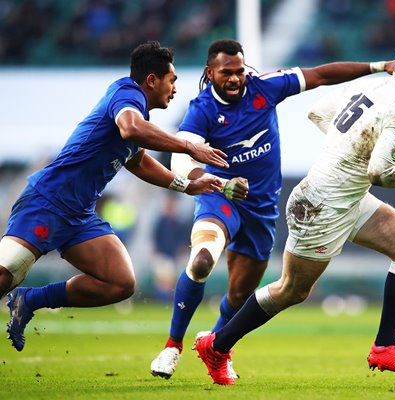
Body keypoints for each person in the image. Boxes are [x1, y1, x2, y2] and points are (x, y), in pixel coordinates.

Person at [193, 38, 395, 385]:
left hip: (348, 197)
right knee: (291, 290)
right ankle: (217, 346)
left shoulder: (373, 86)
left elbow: (318, 112)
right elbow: (380, 173)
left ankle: (385, 346)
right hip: (321, 206)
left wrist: (350, 147)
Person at [150, 38, 395, 379]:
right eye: (226, 73)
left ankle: (217, 347)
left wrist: (378, 67)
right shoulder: (202, 109)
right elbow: (179, 159)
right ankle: (172, 347)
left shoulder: (264, 87)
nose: (235, 79)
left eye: (239, 71)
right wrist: (220, 184)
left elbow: (321, 75)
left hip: (261, 209)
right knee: (203, 259)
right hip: (220, 197)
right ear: (210, 72)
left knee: (239, 294)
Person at [0, 40, 232, 352]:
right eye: (172, 80)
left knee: (120, 282)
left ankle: (28, 300)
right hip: (48, 200)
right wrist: (189, 146)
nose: (175, 88)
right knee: (7, 271)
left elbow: (139, 162)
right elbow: (130, 130)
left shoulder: (139, 115)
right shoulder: (126, 94)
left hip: (79, 214)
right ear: (152, 80)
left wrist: (187, 185)